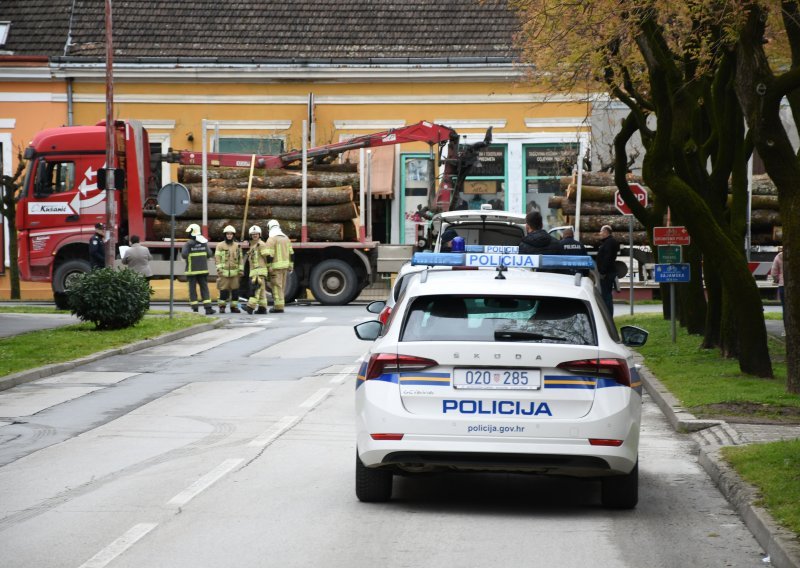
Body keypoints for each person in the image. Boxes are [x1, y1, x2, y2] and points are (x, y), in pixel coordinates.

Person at [181, 223, 215, 314]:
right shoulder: (204, 243)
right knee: (204, 288)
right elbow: (210, 254)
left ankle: (195, 308)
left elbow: (184, 255)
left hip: (192, 271)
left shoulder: (188, 244)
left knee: (192, 290)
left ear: (191, 233)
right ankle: (208, 308)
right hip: (203, 270)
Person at [264, 219, 295, 313]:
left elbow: (269, 254)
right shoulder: (286, 238)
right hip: (285, 267)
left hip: (275, 267)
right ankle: (280, 304)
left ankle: (278, 307)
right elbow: (291, 253)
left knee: (276, 287)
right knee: (282, 287)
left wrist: (268, 266)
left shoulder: (271, 239)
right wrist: (291, 265)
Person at [215, 225, 244, 313]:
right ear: (225, 235)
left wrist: (241, 270)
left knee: (235, 291)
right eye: (227, 234)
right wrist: (219, 269)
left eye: (231, 234)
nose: (229, 236)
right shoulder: (220, 245)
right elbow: (217, 258)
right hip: (224, 273)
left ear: (233, 235)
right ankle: (222, 307)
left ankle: (234, 307)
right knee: (223, 291)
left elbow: (240, 259)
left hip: (235, 273)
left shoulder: (237, 246)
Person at [245, 224, 270, 314]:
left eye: (256, 234)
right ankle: (262, 308)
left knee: (255, 289)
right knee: (261, 290)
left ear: (260, 235)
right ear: (250, 235)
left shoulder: (261, 244)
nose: (255, 235)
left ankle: (250, 306)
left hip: (259, 271)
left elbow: (267, 257)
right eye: (253, 234)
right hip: (255, 271)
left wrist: (268, 268)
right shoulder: (253, 246)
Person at [596, 224, 620, 316]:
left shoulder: (609, 243)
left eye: (601, 231)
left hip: (607, 273)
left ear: (606, 232)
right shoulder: (608, 242)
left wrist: (603, 271)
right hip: (608, 272)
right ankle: (607, 314)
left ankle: (608, 315)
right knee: (606, 294)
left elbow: (608, 258)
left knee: (606, 295)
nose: (600, 233)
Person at [771, 248, 785, 336]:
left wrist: (777, 280)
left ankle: (787, 330)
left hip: (783, 285)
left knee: (786, 308)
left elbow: (774, 273)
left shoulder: (780, 256)